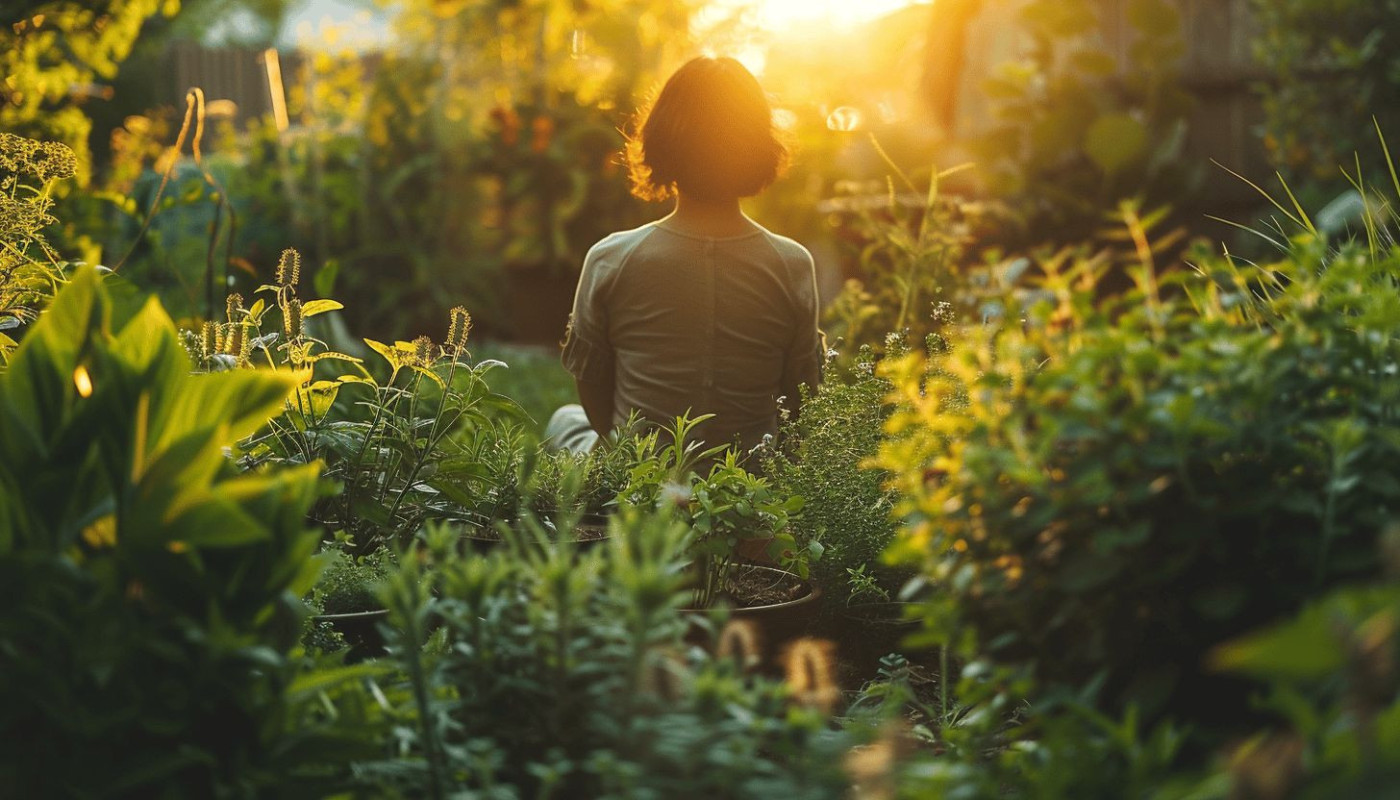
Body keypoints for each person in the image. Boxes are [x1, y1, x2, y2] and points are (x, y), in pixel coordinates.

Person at [546, 56, 823, 457]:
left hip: (641, 476)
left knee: (565, 420)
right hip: (745, 485)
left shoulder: (611, 259)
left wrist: (628, 458)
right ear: (758, 145)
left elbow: (593, 391)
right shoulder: (792, 264)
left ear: (660, 140)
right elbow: (802, 396)